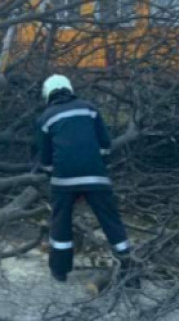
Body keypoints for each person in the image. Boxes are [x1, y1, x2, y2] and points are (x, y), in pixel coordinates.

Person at [35, 74, 133, 283]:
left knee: (60, 222)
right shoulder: (89, 108)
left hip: (63, 181)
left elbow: (45, 159)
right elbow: (105, 144)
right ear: (69, 88)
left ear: (48, 94)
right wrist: (98, 167)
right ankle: (129, 267)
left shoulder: (45, 117)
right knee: (111, 220)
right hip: (96, 177)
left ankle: (59, 271)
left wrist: (54, 175)